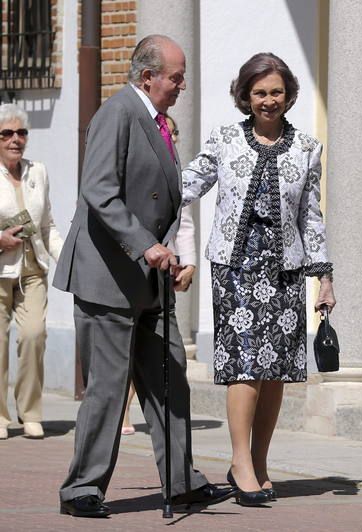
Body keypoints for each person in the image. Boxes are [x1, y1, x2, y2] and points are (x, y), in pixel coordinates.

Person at [53, 35, 235, 518]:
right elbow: (98, 190)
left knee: (171, 379)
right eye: (175, 77)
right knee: (108, 388)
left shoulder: (158, 124)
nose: (181, 86)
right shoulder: (118, 113)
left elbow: (166, 200)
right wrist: (147, 245)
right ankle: (82, 490)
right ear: (146, 75)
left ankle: (181, 483)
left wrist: (173, 251)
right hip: (108, 276)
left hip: (150, 283)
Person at [182, 52, 335, 506]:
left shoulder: (308, 148)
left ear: (288, 96)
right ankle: (239, 462)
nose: (269, 101)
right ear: (245, 96)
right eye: (260, 93)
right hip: (235, 266)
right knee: (246, 363)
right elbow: (185, 185)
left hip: (285, 268)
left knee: (276, 371)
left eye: (276, 92)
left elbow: (311, 214)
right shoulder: (225, 140)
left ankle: (260, 462)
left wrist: (324, 277)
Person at [121, 114, 196, 436]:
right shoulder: (139, 168)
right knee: (129, 348)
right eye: (168, 133)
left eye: (175, 133)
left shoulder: (178, 173)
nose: (173, 139)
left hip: (165, 274)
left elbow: (185, 221)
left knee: (167, 353)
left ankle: (169, 431)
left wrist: (189, 263)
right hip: (132, 271)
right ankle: (121, 413)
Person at [0, 103, 63, 441]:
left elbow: (47, 224)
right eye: (7, 133)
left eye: (21, 133)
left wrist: (65, 258)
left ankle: (30, 412)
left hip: (32, 270)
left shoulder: (37, 171)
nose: (15, 139)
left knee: (34, 335)